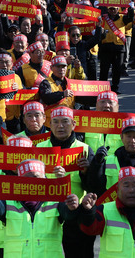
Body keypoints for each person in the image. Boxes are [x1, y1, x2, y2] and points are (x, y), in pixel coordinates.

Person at [0, 159, 79, 257]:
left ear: (45, 179)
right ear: (19, 181)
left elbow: (68, 214)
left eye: (36, 177)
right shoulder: (9, 200)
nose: (31, 182)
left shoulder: (56, 200)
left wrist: (72, 207)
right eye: (27, 179)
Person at [36, 106, 94, 258]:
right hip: (46, 215)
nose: (60, 126)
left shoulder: (85, 150)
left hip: (76, 214)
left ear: (73, 124)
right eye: (55, 122)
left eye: (65, 122)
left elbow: (94, 186)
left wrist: (86, 172)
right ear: (49, 124)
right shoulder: (39, 149)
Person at [87, 116, 135, 196]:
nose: (132, 140)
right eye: (129, 136)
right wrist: (96, 165)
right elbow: (95, 189)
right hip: (114, 208)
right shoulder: (108, 161)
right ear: (121, 137)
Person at [99, 5, 135, 94]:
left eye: (114, 9)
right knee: (104, 70)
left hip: (118, 48)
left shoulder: (122, 18)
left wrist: (131, 8)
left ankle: (115, 87)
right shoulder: (103, 18)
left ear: (118, 9)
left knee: (117, 70)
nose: (112, 11)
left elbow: (130, 18)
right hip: (106, 47)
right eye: (110, 9)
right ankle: (102, 88)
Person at [38, 56, 75, 127]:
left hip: (68, 123)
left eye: (63, 67)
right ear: (51, 68)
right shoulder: (46, 83)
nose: (61, 69)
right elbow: (46, 98)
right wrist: (62, 94)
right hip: (51, 124)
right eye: (58, 67)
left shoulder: (70, 82)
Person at [83, 91, 123, 156]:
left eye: (110, 102)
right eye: (102, 102)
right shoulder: (85, 123)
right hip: (92, 165)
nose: (106, 105)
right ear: (96, 105)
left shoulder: (125, 125)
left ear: (117, 107)